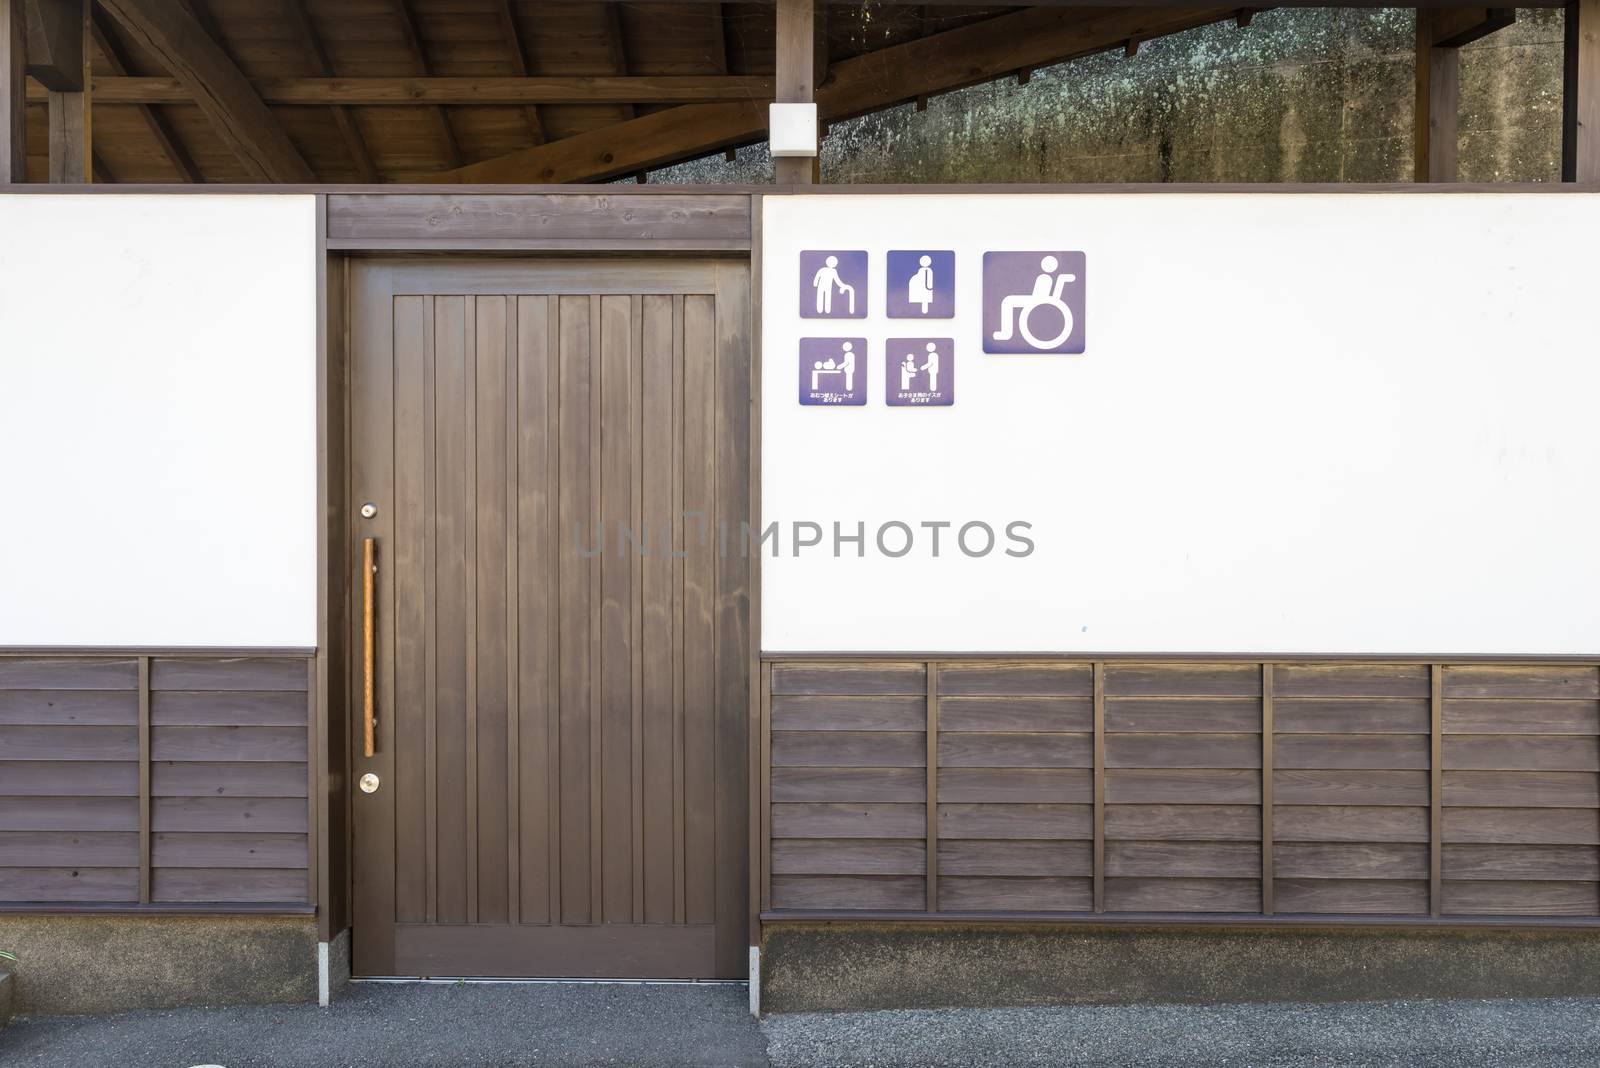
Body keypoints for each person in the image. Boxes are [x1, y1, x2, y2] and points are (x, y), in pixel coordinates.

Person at [991, 255, 1075, 346]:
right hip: (1038, 299)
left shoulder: (1045, 278)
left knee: (1008, 301)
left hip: (1037, 300)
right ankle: (1006, 333)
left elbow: (1040, 295)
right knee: (1008, 300)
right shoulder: (1047, 277)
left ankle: (1006, 333)